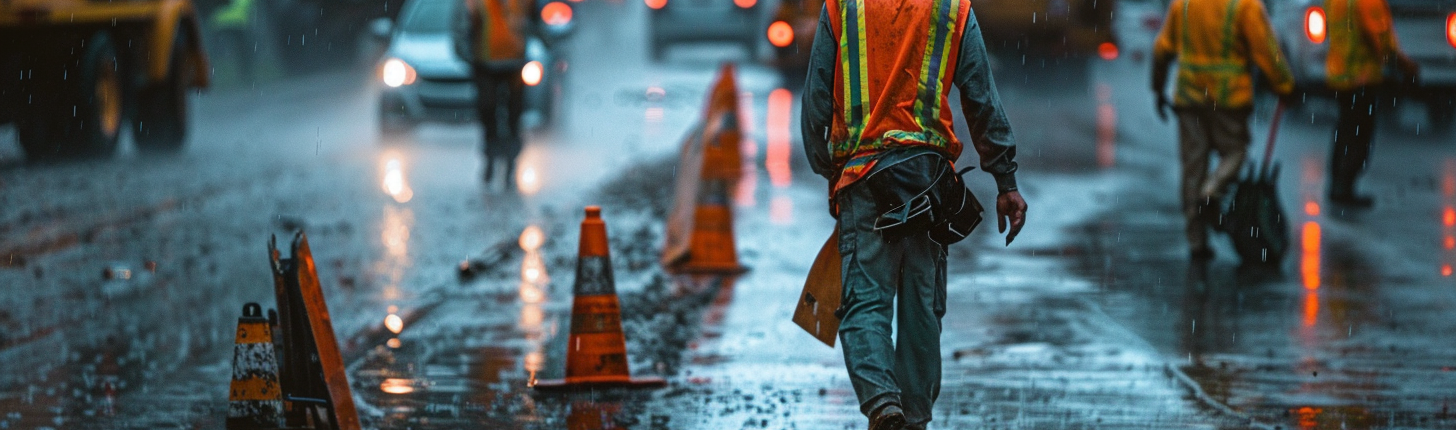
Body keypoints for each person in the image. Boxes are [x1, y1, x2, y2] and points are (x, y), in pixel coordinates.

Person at [800, 0, 1026, 427]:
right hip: (928, 180)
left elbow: (816, 101)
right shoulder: (952, 8)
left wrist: (828, 169)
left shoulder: (842, 8)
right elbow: (981, 97)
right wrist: (1005, 180)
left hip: (864, 175)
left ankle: (884, 405)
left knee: (865, 303)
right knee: (922, 308)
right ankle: (916, 418)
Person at [1151, 0, 1295, 260]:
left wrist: (1158, 88)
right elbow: (1266, 49)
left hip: (1189, 98)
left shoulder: (1183, 5)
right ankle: (1212, 191)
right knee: (1235, 152)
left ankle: (1196, 242)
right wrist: (1284, 84)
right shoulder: (1245, 5)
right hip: (1228, 99)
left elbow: (1162, 49)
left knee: (1193, 167)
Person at [1322, 0, 1420, 207]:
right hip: (1362, 77)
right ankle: (1345, 188)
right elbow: (1380, 37)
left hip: (1340, 73)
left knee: (1345, 130)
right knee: (1359, 135)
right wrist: (1404, 65)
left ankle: (1337, 185)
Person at [454, 0, 529, 187]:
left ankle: (510, 163)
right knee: (488, 111)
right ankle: (490, 158)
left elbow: (536, 23)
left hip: (514, 66)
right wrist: (468, 57)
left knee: (514, 115)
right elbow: (462, 28)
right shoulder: (477, 2)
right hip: (485, 66)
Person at [211, 0, 255, 84]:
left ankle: (219, 78)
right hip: (238, 20)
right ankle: (245, 76)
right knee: (243, 51)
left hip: (219, 22)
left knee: (218, 53)